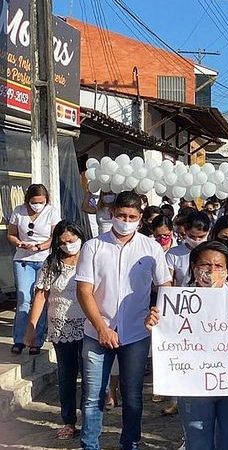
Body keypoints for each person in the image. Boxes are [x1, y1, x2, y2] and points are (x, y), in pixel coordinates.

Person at [75, 190, 172, 450]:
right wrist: (101, 328)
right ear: (111, 214)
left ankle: (130, 443)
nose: (126, 220)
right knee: (93, 397)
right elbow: (84, 291)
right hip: (97, 332)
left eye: (132, 216)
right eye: (121, 215)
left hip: (136, 333)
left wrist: (157, 312)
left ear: (140, 219)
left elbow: (165, 285)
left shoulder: (150, 248)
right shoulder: (93, 246)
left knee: (133, 397)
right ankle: (90, 445)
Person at [145, 241, 228, 450]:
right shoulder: (176, 301)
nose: (211, 271)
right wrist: (155, 324)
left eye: (219, 266)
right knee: (197, 441)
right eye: (205, 265)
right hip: (194, 385)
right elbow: (167, 335)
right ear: (194, 268)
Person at [24, 220, 86, 439]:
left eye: (72, 240)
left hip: (88, 325)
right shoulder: (52, 264)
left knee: (89, 376)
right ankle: (69, 420)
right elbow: (41, 295)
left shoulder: (91, 260)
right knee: (67, 376)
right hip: (61, 327)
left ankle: (90, 420)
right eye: (63, 242)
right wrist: (31, 328)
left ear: (80, 237)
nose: (68, 245)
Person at [8, 184, 61, 355]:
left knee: (41, 299)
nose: (37, 205)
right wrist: (19, 243)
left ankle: (36, 341)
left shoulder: (51, 212)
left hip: (44, 259)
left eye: (41, 202)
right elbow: (11, 234)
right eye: (34, 202)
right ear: (28, 200)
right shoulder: (18, 211)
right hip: (23, 259)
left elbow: (55, 236)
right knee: (24, 298)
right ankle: (19, 340)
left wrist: (40, 247)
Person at [166, 211, 211, 287]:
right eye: (192, 236)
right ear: (185, 232)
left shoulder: (214, 253)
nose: (196, 240)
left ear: (208, 232)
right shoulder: (173, 254)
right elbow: (168, 283)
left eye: (201, 237)